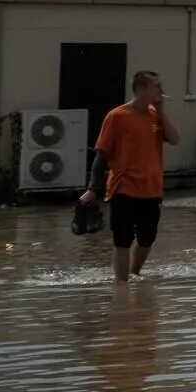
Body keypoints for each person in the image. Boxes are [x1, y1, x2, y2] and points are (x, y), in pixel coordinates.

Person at [77, 71, 180, 283]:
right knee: (122, 239)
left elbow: (174, 139)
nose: (161, 91)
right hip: (123, 187)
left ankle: (134, 274)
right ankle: (121, 287)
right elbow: (101, 155)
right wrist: (92, 189)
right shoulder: (117, 116)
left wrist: (161, 110)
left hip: (152, 187)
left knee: (147, 238)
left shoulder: (155, 115)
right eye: (156, 87)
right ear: (141, 89)